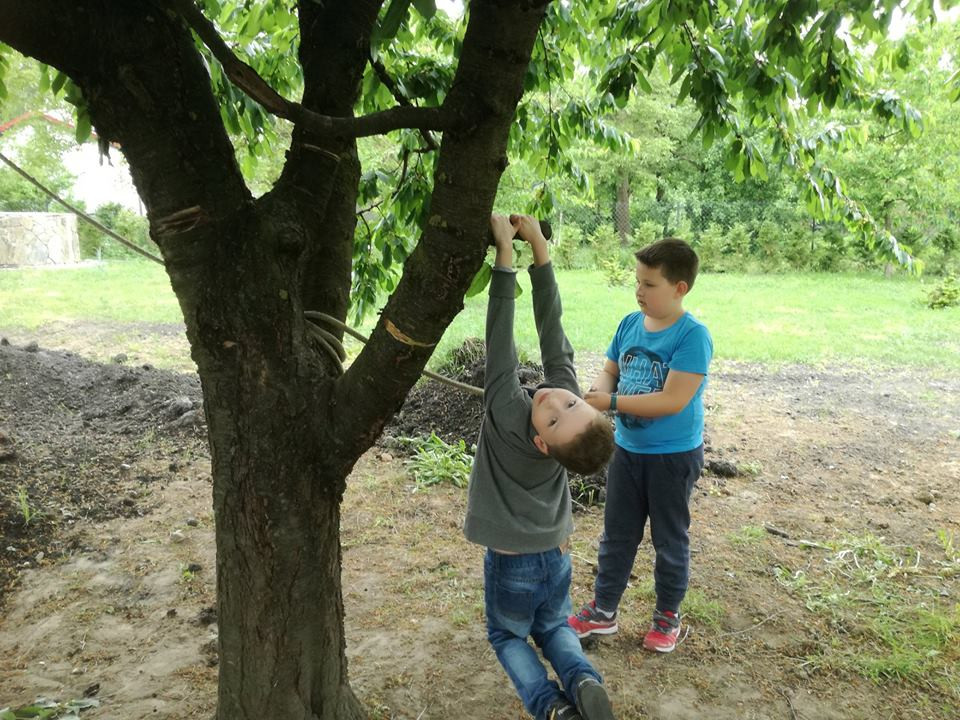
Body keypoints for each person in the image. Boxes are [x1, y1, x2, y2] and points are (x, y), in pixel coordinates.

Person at [463, 213, 617, 720]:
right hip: (556, 557)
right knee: (553, 627)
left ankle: (550, 707)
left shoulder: (509, 411)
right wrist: (540, 252)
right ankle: (585, 682)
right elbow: (555, 334)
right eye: (571, 404)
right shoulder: (559, 414)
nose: (556, 399)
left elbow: (500, 342)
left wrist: (507, 256)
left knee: (506, 635)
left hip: (512, 565)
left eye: (555, 416)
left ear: (544, 445)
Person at [568, 238, 713, 654]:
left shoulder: (692, 337)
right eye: (637, 282)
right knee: (617, 535)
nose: (639, 291)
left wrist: (610, 403)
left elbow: (672, 400)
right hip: (627, 450)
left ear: (680, 287)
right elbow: (610, 370)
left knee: (669, 539)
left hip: (672, 457)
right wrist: (596, 393)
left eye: (649, 284)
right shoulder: (630, 323)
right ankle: (603, 611)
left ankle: (667, 616)